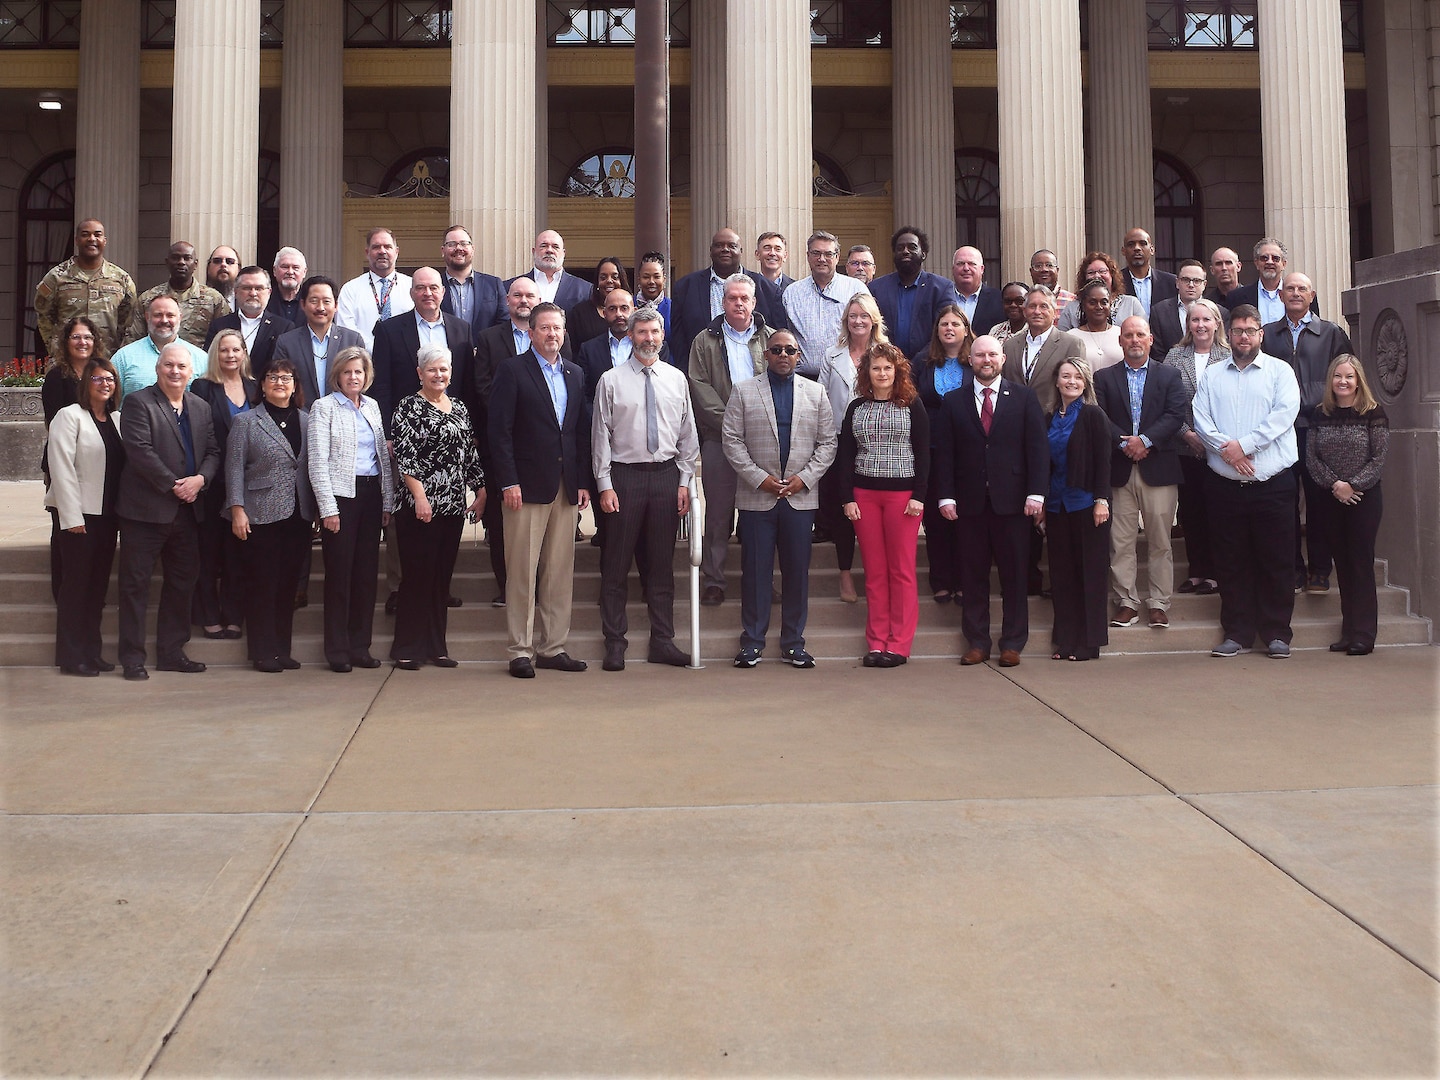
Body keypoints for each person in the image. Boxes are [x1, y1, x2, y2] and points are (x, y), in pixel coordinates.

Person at [591, 308, 699, 671]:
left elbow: (687, 435)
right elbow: (600, 438)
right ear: (631, 336)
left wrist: (685, 482)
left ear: (663, 334)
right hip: (625, 478)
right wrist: (604, 484)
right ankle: (615, 643)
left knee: (661, 566)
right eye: (641, 332)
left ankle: (662, 641)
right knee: (616, 565)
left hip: (666, 478)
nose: (648, 338)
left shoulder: (676, 379)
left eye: (654, 331)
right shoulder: (611, 380)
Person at [721, 329, 837, 668]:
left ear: (799, 355)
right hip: (758, 497)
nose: (783, 355)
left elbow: (828, 443)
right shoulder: (744, 391)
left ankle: (793, 643)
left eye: (790, 350)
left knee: (797, 573)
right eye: (777, 350)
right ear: (766, 355)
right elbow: (732, 441)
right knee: (755, 572)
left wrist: (805, 479)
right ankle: (752, 642)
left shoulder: (816, 393)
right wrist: (761, 479)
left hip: (800, 498)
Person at [488, 302, 592, 678]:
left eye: (557, 329)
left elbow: (579, 432)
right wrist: (507, 481)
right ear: (530, 333)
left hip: (565, 488)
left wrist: (581, 482)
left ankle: (552, 647)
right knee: (522, 571)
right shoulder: (512, 371)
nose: (552, 335)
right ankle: (520, 649)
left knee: (559, 572)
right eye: (544, 328)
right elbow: (498, 432)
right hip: (524, 488)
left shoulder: (575, 373)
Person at [1191, 305, 1301, 658]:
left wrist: (1245, 446)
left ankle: (1276, 633)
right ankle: (1236, 632)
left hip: (1273, 484)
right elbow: (1201, 419)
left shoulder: (1279, 372)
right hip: (1225, 486)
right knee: (1230, 561)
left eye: (1250, 331)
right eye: (1237, 331)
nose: (1243, 337)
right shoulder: (1212, 375)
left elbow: (1283, 416)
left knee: (1277, 560)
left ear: (1260, 334)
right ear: (1229, 333)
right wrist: (1229, 452)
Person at [935, 335, 1048, 668]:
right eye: (980, 355)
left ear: (1002, 359)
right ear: (970, 360)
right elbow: (945, 454)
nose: (986, 360)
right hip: (969, 504)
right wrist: (945, 495)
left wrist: (1036, 494)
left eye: (992, 355)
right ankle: (978, 642)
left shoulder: (1024, 398)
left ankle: (1012, 642)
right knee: (973, 576)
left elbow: (1037, 450)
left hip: (1013, 503)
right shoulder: (953, 401)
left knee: (1014, 575)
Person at [115, 343, 220, 680]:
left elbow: (214, 451)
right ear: (158, 369)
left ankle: (172, 652)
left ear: (192, 373)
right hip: (145, 512)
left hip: (188, 514)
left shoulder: (200, 407)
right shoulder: (138, 402)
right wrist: (176, 485)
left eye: (181, 367)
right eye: (169, 365)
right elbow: (139, 450)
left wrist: (201, 479)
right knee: (135, 586)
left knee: (182, 583)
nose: (175, 371)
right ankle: (132, 658)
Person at [388, 343, 485, 670]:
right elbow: (405, 456)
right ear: (420, 373)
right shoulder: (408, 407)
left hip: (452, 506)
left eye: (444, 369)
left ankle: (435, 647)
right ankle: (407, 648)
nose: (439, 374)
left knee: (441, 579)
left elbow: (468, 455)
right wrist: (419, 497)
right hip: (419, 507)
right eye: (432, 369)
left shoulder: (458, 407)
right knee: (417, 577)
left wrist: (480, 490)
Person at [1261, 271, 1354, 594]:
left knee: (1319, 503)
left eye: (1302, 289)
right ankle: (1293, 569)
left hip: (1320, 429)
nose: (1296, 293)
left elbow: (1347, 379)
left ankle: (1319, 570)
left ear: (1312, 295)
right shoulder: (1268, 335)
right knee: (1284, 502)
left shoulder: (1331, 333)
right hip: (1281, 432)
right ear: (1281, 295)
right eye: (1290, 288)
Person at [687, 273, 776, 607]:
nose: (738, 303)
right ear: (722, 302)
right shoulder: (704, 341)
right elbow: (699, 385)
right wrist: (732, 425)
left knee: (762, 514)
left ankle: (763, 579)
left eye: (744, 298)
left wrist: (755, 427)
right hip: (719, 440)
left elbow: (779, 382)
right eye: (732, 298)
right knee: (718, 514)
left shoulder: (771, 339)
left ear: (754, 302)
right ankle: (714, 579)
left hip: (762, 442)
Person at [838, 343, 929, 667]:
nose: (882, 373)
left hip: (903, 498)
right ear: (867, 372)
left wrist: (920, 495)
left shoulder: (911, 405)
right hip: (864, 496)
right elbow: (846, 456)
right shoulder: (856, 408)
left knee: (901, 571)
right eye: (876, 368)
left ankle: (899, 644)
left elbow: (924, 452)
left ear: (897, 371)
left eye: (887, 368)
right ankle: (876, 642)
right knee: (875, 572)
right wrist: (847, 497)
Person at [1094, 317, 1187, 630]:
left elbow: (1176, 415)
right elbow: (1099, 416)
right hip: (1119, 470)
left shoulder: (1170, 376)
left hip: (1158, 467)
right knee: (1120, 542)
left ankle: (1159, 603)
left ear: (1150, 340)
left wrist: (1145, 441)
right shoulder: (1104, 377)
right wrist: (1126, 445)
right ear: (1120, 341)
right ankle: (1126, 601)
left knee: (1160, 541)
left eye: (1140, 335)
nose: (1134, 340)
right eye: (1128, 335)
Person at [226, 358, 315, 672]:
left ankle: (282, 649)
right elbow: (234, 468)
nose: (280, 382)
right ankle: (262, 652)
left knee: (289, 584)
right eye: (273, 377)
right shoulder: (246, 421)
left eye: (287, 377)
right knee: (263, 583)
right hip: (260, 513)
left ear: (295, 385)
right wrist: (237, 510)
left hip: (299, 514)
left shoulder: (307, 420)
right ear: (261, 385)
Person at [309, 346, 394, 672]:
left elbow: (382, 460)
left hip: (371, 496)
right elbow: (317, 462)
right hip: (341, 498)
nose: (353, 377)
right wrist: (328, 508)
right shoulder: (324, 408)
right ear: (337, 376)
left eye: (358, 371)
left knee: (365, 577)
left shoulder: (372, 407)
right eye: (347, 372)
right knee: (340, 576)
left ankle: (361, 646)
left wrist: (386, 502)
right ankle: (338, 649)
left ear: (366, 375)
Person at [45, 357, 124, 676]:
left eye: (110, 379)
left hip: (108, 518)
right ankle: (71, 656)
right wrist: (71, 515)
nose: (104, 384)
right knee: (76, 589)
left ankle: (92, 652)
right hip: (79, 518)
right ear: (85, 384)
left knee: (96, 590)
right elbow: (60, 468)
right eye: (97, 379)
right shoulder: (69, 416)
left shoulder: (118, 419)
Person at [1307, 355, 1388, 655]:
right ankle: (1348, 630)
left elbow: (1378, 459)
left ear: (1358, 381)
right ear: (1331, 380)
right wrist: (1335, 485)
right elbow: (1311, 458)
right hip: (1331, 498)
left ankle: (1364, 634)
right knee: (1341, 564)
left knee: (1360, 564)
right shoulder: (1320, 413)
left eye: (1349, 377)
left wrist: (1352, 485)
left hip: (1363, 499)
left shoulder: (1373, 413)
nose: (1343, 381)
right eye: (1338, 376)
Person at [817, 292, 889, 604]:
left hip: (876, 444)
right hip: (837, 443)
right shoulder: (831, 356)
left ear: (874, 320)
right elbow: (820, 400)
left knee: (874, 513)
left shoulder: (887, 354)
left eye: (863, 315)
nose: (858, 321)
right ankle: (845, 575)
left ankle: (877, 576)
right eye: (852, 316)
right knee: (844, 511)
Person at [188, 328, 256, 642]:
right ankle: (208, 615)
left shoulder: (256, 388)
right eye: (224, 350)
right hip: (213, 483)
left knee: (238, 554)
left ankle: (233, 615)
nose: (230, 355)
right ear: (216, 353)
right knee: (208, 553)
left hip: (247, 484)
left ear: (244, 354)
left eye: (236, 350)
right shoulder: (202, 388)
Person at [1043, 358, 1111, 661]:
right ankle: (1067, 640)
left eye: (1078, 377)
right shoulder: (1048, 418)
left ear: (1085, 383)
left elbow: (1103, 462)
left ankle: (1089, 642)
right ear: (1057, 381)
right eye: (1066, 376)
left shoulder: (1093, 415)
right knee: (1062, 575)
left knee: (1090, 574)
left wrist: (1101, 499)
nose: (1071, 381)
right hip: (1057, 505)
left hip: (1086, 504)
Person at [1163, 297, 1231, 596]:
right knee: (1191, 512)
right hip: (1185, 448)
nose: (1200, 325)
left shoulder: (1230, 355)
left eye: (1206, 319)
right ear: (1187, 324)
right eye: (1195, 320)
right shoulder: (1175, 356)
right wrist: (1187, 434)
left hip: (1222, 450)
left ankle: (1217, 572)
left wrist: (1214, 439)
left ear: (1217, 323)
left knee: (1218, 511)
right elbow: (1163, 402)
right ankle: (1197, 570)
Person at [912, 302, 975, 604]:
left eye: (955, 324)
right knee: (936, 518)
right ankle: (941, 579)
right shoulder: (923, 361)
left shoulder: (976, 361)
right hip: (933, 448)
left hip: (968, 451)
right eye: (944, 324)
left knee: (964, 517)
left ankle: (964, 580)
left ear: (965, 329)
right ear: (937, 329)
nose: (949, 329)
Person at [41, 316, 104, 598]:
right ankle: (62, 592)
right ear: (66, 342)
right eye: (76, 337)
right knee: (64, 527)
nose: (82, 342)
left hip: (97, 463)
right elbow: (55, 422)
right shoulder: (57, 376)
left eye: (88, 337)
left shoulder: (100, 373)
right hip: (63, 460)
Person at [670, 227, 786, 363]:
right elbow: (678, 338)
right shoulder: (685, 287)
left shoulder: (768, 290)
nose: (725, 249)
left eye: (732, 246)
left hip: (755, 372)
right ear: (710, 251)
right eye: (719, 245)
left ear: (741, 251)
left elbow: (778, 336)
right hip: (702, 371)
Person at [33, 218, 135, 360]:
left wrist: (120, 354)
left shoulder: (121, 279)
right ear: (76, 240)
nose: (91, 239)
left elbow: (128, 321)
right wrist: (55, 348)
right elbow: (43, 315)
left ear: (104, 240)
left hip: (106, 361)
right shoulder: (57, 277)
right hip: (66, 362)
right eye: (85, 234)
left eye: (97, 235)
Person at [783, 230, 870, 378]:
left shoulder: (856, 289)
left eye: (828, 254)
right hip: (803, 379)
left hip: (848, 377)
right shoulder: (792, 293)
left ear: (837, 257)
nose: (822, 259)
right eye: (816, 253)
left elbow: (870, 330)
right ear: (808, 256)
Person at [271, 276, 367, 410]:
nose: (320, 308)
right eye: (314, 301)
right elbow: (280, 383)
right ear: (303, 305)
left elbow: (362, 384)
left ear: (336, 306)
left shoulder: (352, 340)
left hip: (343, 418)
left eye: (326, 301)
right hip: (300, 419)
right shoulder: (286, 342)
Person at [868, 226, 960, 361]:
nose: (905, 251)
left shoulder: (941, 288)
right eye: (900, 248)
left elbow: (945, 329)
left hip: (928, 365)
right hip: (886, 366)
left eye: (912, 247)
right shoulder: (876, 288)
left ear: (923, 254)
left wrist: (918, 362)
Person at [125, 241, 230, 347]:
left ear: (195, 264)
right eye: (175, 258)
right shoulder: (148, 299)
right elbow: (133, 339)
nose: (181, 262)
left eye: (187, 258)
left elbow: (226, 339)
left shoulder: (214, 299)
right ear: (167, 262)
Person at [204, 265, 292, 381]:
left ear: (269, 292)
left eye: (259, 288)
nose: (253, 293)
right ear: (235, 291)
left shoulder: (284, 327)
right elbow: (210, 362)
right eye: (246, 288)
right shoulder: (219, 326)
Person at [112, 294, 205, 398]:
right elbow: (110, 403)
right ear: (147, 317)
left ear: (180, 318)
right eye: (158, 315)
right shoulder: (123, 358)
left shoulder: (201, 359)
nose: (164, 320)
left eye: (170, 315)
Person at [336, 227, 413, 351]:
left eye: (387, 246)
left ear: (397, 252)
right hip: (363, 363)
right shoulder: (350, 289)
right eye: (376, 247)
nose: (382, 251)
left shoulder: (412, 286)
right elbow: (346, 331)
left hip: (405, 361)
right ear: (367, 252)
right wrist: (377, 351)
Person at [1224, 237, 1318, 322]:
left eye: (1275, 258)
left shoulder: (1304, 296)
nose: (1269, 262)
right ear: (1256, 263)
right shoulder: (1236, 297)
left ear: (1284, 264)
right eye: (1264, 258)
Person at [439, 224, 505, 333]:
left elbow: (503, 324)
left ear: (472, 249)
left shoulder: (494, 285)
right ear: (443, 251)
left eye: (464, 244)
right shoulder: (433, 287)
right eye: (451, 244)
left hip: (484, 349)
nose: (458, 248)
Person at [505, 229, 591, 312]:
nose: (549, 250)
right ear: (534, 251)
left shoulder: (585, 289)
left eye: (555, 247)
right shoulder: (508, 287)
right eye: (543, 246)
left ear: (563, 253)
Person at [1056, 251, 1144, 331]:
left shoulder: (1131, 304)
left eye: (1102, 271)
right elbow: (1063, 339)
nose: (1097, 276)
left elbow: (1144, 334)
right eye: (1091, 272)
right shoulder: (1072, 308)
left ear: (1112, 275)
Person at [567, 256, 630, 348]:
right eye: (603, 277)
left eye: (615, 277)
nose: (609, 280)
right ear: (597, 283)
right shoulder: (579, 313)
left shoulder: (633, 311)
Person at [1152, 259, 1207, 360]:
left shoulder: (1219, 312)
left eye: (1197, 281)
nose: (1191, 285)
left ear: (1204, 285)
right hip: (1169, 372)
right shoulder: (1159, 311)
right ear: (1177, 283)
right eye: (1186, 280)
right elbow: (1156, 352)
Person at [1119, 227, 1178, 319]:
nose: (1137, 248)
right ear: (1123, 251)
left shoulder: (1172, 282)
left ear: (1152, 250)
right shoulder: (1115, 281)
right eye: (1131, 244)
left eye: (1142, 244)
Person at [1069, 279, 1124, 373]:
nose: (1099, 307)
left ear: (1110, 304)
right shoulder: (1071, 337)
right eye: (1092, 302)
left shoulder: (1121, 333)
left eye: (1104, 302)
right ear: (1083, 306)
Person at [950, 245, 1005, 338]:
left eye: (972, 263)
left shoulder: (998, 299)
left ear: (982, 269)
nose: (966, 268)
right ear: (953, 269)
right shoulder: (941, 298)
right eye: (960, 263)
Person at [267, 247, 308, 327]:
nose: (290, 272)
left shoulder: (311, 301)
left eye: (295, 268)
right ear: (274, 271)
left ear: (304, 272)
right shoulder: (265, 299)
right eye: (285, 267)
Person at [636, 250, 671, 336]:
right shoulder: (629, 306)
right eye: (646, 277)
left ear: (664, 280)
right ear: (639, 279)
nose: (651, 281)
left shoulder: (673, 308)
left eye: (656, 277)